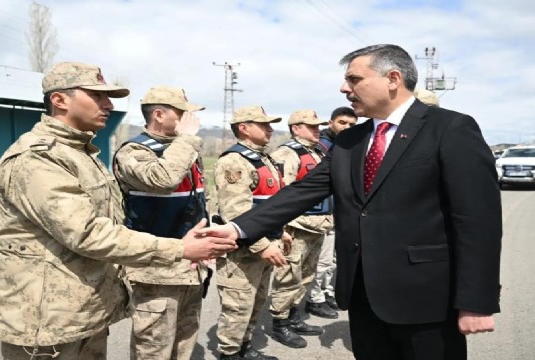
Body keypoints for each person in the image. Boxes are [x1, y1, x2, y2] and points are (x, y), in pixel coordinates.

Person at [200, 44, 502, 360]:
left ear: (393, 78)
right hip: (363, 296)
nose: (345, 88)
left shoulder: (450, 128)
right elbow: (301, 192)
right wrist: (237, 229)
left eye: (354, 79)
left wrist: (476, 299)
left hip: (426, 299)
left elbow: (478, 221)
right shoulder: (349, 141)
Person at [0, 62, 237, 360]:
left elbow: (116, 220)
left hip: (83, 312)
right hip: (46, 325)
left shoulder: (80, 154)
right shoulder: (38, 158)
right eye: (97, 96)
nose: (108, 104)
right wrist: (180, 248)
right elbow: (88, 233)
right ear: (60, 100)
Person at [113, 86, 209, 360]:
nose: (192, 120)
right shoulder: (135, 151)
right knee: (154, 346)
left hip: (191, 264)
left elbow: (199, 200)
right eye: (183, 113)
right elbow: (162, 179)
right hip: (157, 268)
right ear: (158, 114)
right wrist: (188, 140)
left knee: (185, 337)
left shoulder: (182, 149)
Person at [213, 105, 288, 360]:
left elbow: (271, 204)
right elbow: (236, 212)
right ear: (244, 128)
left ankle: (245, 348)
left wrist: (282, 232)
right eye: (263, 124)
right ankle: (230, 354)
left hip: (265, 245)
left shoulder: (264, 158)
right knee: (237, 307)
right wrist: (264, 246)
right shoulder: (234, 161)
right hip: (243, 252)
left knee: (255, 303)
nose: (270, 128)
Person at [266, 110, 333, 348]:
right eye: (311, 126)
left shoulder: (319, 151)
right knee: (288, 276)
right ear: (296, 128)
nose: (317, 130)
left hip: (317, 227)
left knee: (306, 275)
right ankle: (280, 323)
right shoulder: (287, 153)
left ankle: (294, 315)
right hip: (296, 227)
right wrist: (280, 229)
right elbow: (283, 195)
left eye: (318, 126)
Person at [306, 106, 358, 315]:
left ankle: (327, 293)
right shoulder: (323, 147)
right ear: (331, 123)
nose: (346, 127)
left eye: (351, 124)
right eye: (342, 123)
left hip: (340, 212)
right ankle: (315, 298)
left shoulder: (347, 144)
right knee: (322, 260)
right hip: (322, 213)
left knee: (333, 261)